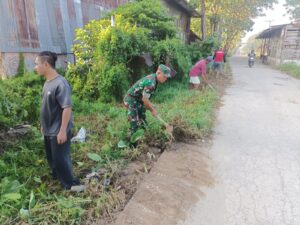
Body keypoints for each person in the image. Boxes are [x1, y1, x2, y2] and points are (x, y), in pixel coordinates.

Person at [34, 51, 82, 191]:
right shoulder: (47, 83)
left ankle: (70, 184)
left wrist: (62, 131)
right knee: (52, 157)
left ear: (46, 64)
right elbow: (46, 106)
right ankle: (57, 177)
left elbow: (67, 108)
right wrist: (43, 124)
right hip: (49, 128)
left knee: (61, 158)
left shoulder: (61, 83)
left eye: (37, 64)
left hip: (58, 130)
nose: (35, 67)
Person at [123, 64, 172, 135]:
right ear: (158, 73)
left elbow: (145, 98)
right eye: (164, 76)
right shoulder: (151, 83)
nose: (166, 79)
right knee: (135, 124)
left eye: (167, 77)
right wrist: (152, 109)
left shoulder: (154, 79)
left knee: (143, 120)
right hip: (131, 100)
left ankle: (145, 136)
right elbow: (145, 99)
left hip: (138, 100)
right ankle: (132, 142)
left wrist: (151, 107)